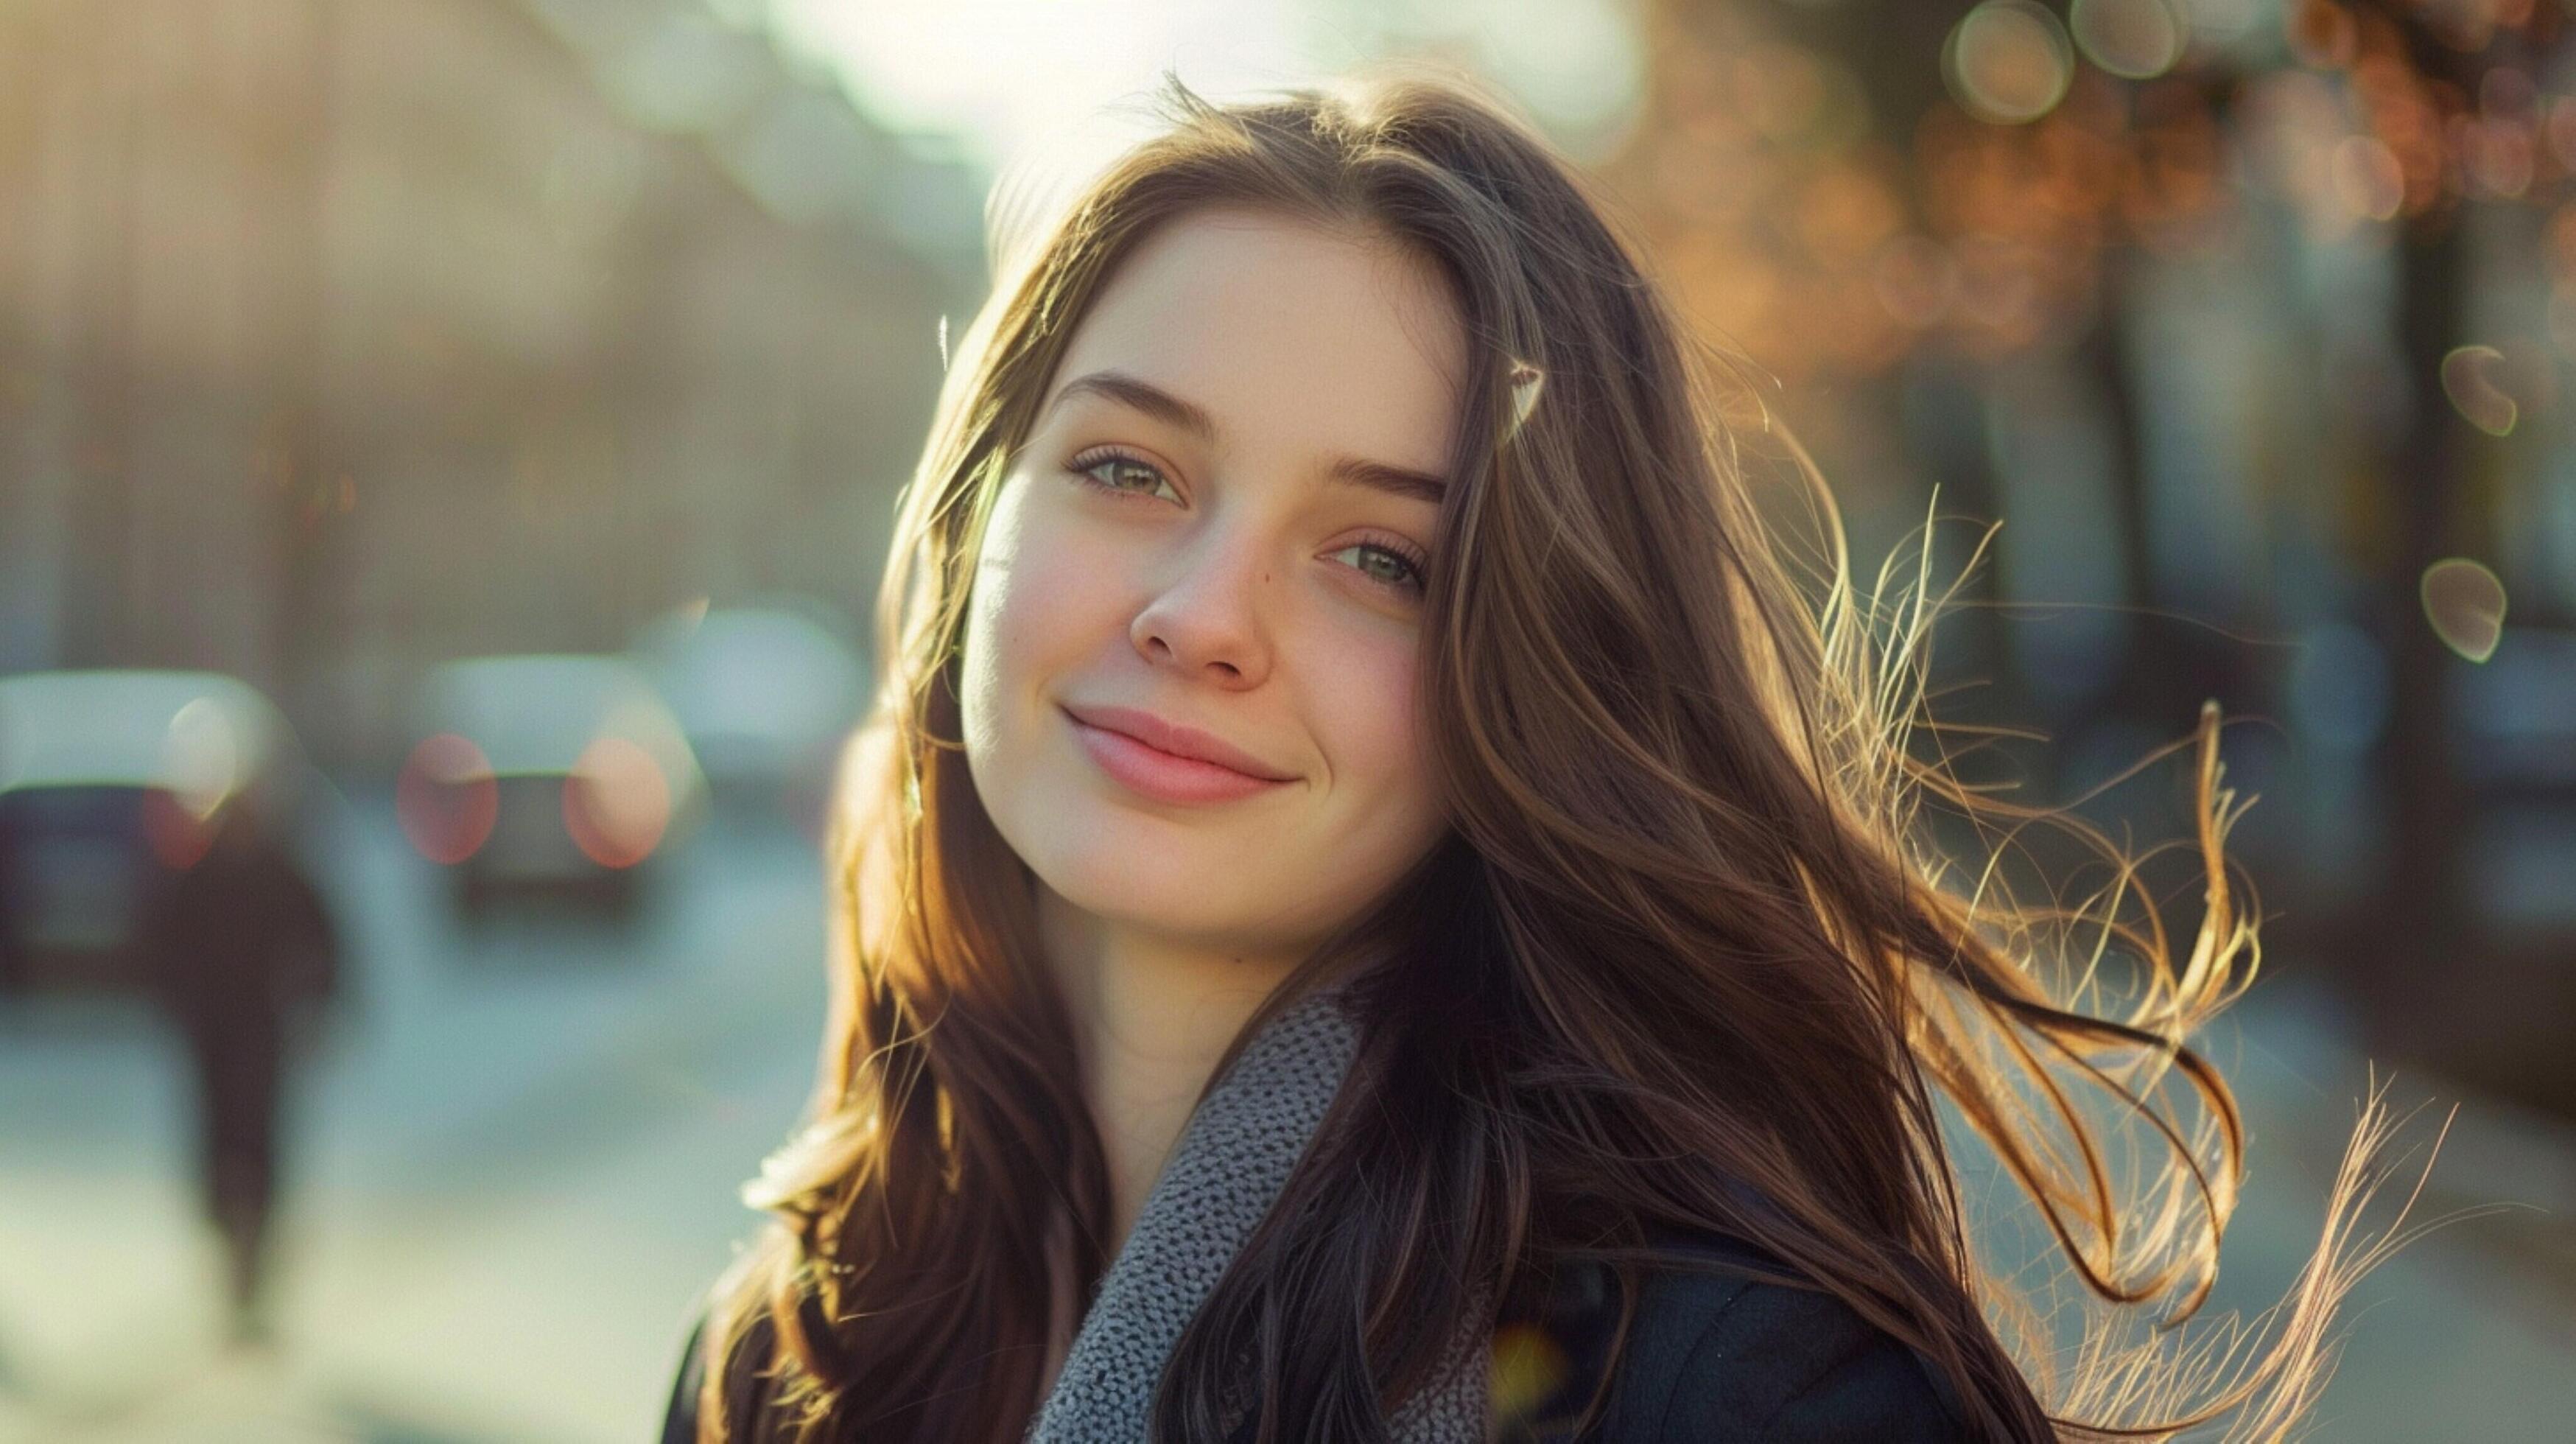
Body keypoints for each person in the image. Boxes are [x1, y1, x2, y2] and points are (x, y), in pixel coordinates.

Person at [662, 69, 2405, 1442]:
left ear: (1538, 672)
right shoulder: (784, 1355)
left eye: (1382, 560)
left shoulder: (1725, 1391)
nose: (1204, 618)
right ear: (975, 524)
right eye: (1130, 471)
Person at [141, 791, 341, 1347]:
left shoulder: (281, 876)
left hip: (262, 1034)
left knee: (260, 1148)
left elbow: (324, 939)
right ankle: (228, 1240)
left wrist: (320, 1001)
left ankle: (254, 1262)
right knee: (218, 1146)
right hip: (212, 1038)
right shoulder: (198, 881)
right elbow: (162, 949)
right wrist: (178, 1008)